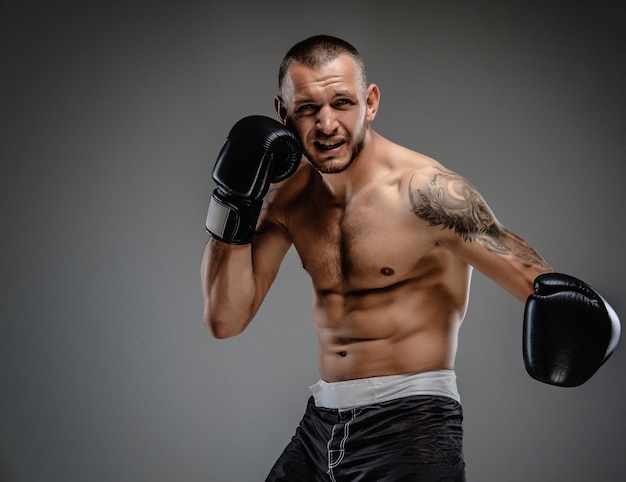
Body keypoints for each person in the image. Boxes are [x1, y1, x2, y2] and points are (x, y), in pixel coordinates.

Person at [201, 35, 620, 481]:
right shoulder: (287, 199)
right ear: (282, 113)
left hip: (411, 423)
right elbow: (226, 319)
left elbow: (532, 278)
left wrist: (572, 314)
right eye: (307, 108)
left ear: (370, 101)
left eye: (342, 102)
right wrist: (231, 204)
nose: (326, 124)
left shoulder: (427, 193)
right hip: (321, 423)